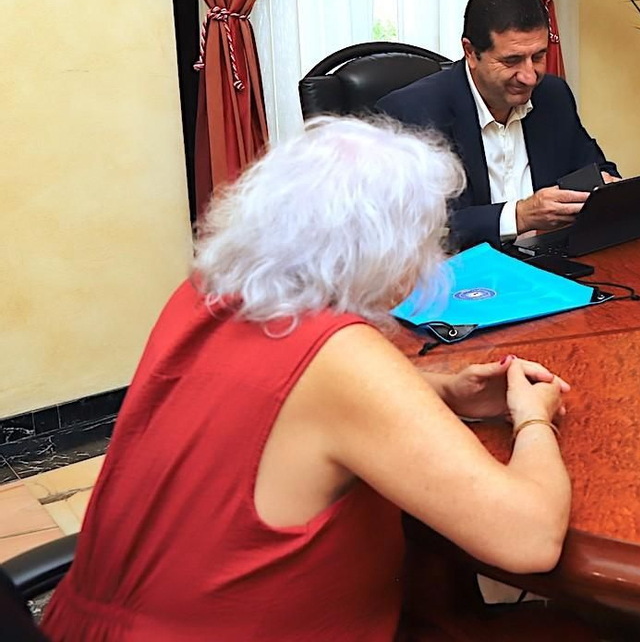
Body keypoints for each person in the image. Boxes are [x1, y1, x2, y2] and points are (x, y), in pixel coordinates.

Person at [42, 118, 577, 641]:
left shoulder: (203, 295)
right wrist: (534, 418)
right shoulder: (341, 356)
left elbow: (275, 407)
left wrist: (441, 389)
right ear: (386, 254)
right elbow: (529, 538)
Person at [378, 0, 617, 249]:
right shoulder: (414, 114)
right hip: (462, 275)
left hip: (550, 262)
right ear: (470, 52)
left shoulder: (552, 95)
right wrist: (519, 216)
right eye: (511, 61)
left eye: (538, 57)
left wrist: (602, 188)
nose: (529, 77)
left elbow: (595, 168)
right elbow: (420, 226)